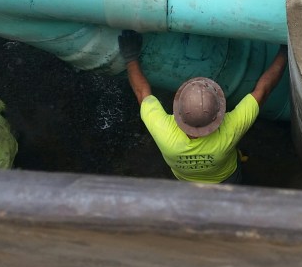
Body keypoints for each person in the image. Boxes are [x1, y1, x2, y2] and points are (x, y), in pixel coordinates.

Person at [120, 30, 287, 184]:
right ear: (218, 116)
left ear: (178, 111)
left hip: (187, 182)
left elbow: (142, 93)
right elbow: (263, 90)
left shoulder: (163, 131)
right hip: (227, 179)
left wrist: (130, 57)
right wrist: (285, 53)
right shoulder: (230, 130)